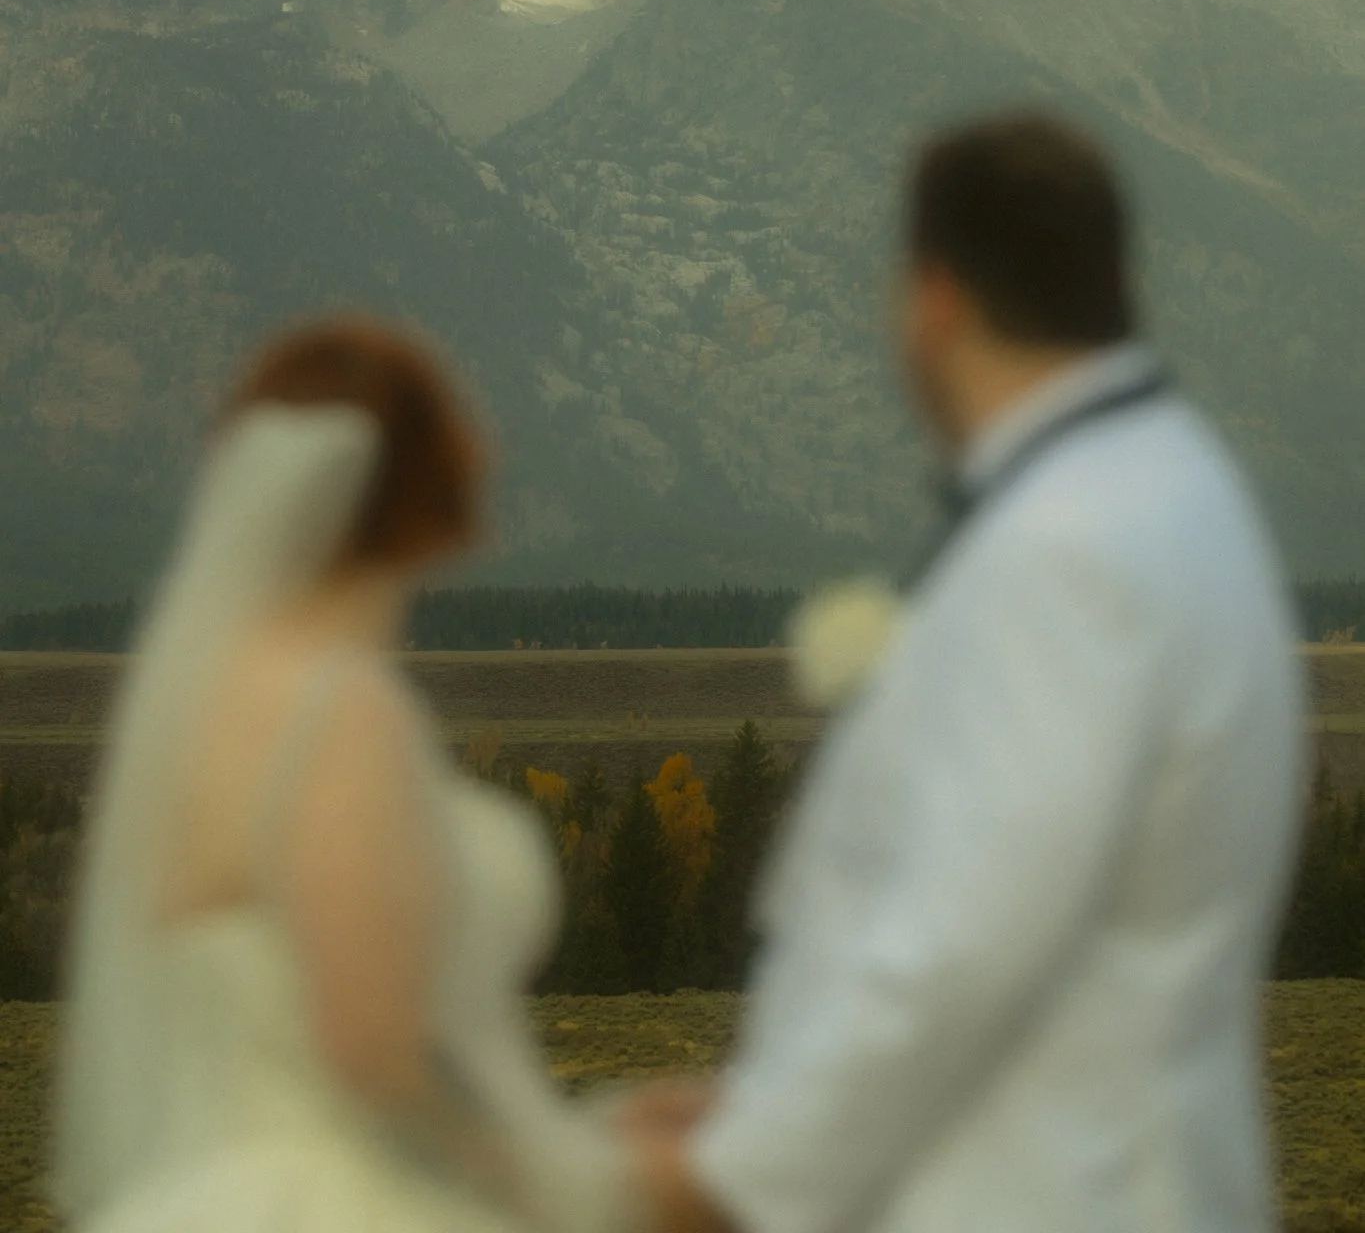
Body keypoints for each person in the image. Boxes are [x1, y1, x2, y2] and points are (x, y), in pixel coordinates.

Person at [640, 111, 1306, 1233]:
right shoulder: (1182, 487)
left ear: (935, 297)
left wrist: (739, 1171)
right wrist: (755, 1102)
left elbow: (962, 943)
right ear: (1116, 277)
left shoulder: (1066, 549)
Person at [54, 316, 639, 1233]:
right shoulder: (336, 713)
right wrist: (570, 1185)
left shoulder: (208, 704)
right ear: (433, 486)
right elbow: (369, 1048)